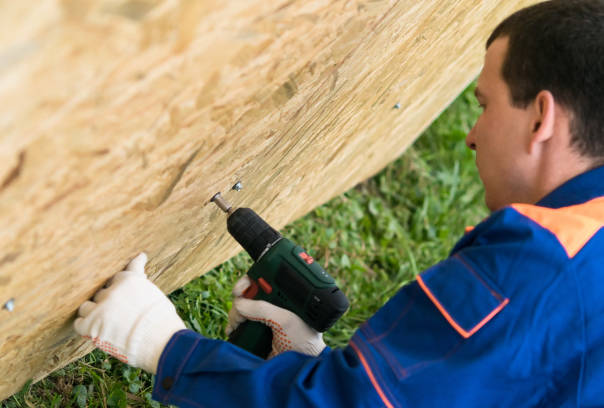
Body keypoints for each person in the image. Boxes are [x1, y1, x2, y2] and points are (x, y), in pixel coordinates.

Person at [74, 1, 604, 406]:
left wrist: (164, 346)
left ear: (541, 119)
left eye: (484, 106)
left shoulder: (537, 264)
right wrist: (317, 367)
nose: (470, 135)